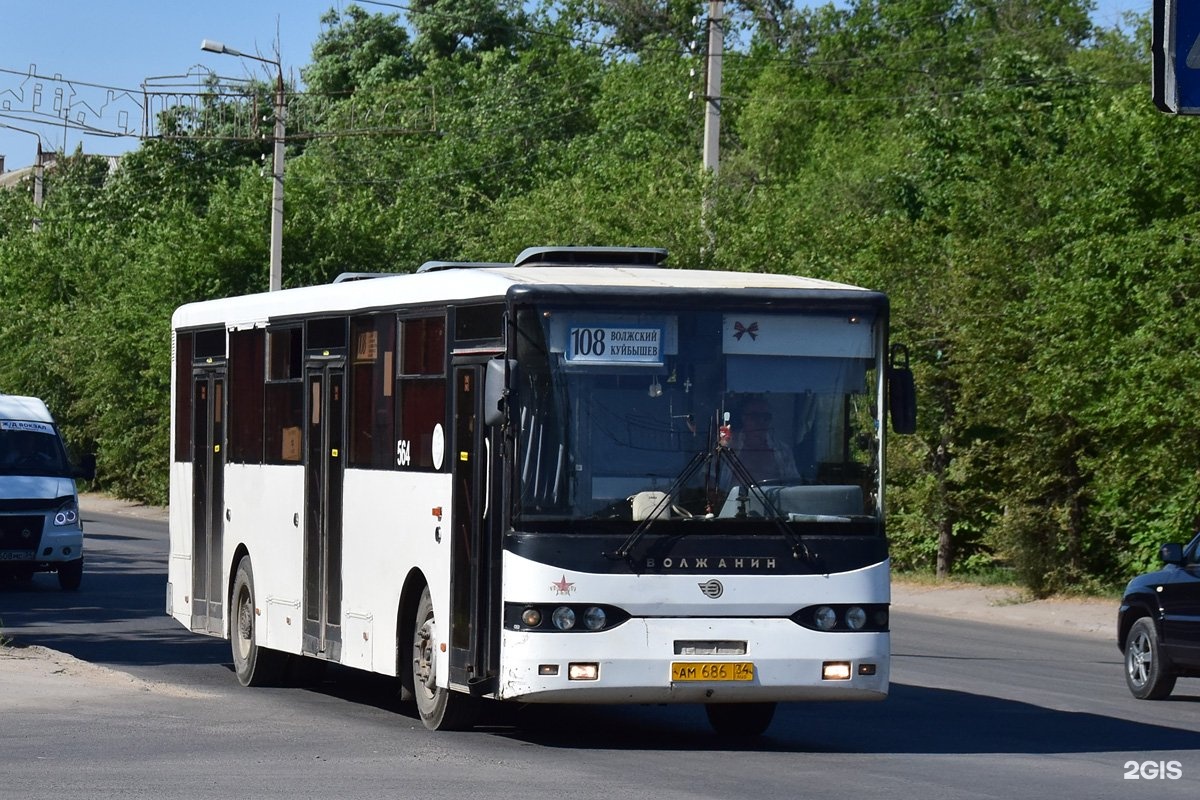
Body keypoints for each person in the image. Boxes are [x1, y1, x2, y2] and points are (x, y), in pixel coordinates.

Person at [729, 397, 799, 483]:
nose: (761, 422)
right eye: (755, 416)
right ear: (743, 418)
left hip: (771, 496)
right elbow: (711, 479)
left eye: (766, 417)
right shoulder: (726, 447)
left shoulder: (783, 451)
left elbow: (793, 483)